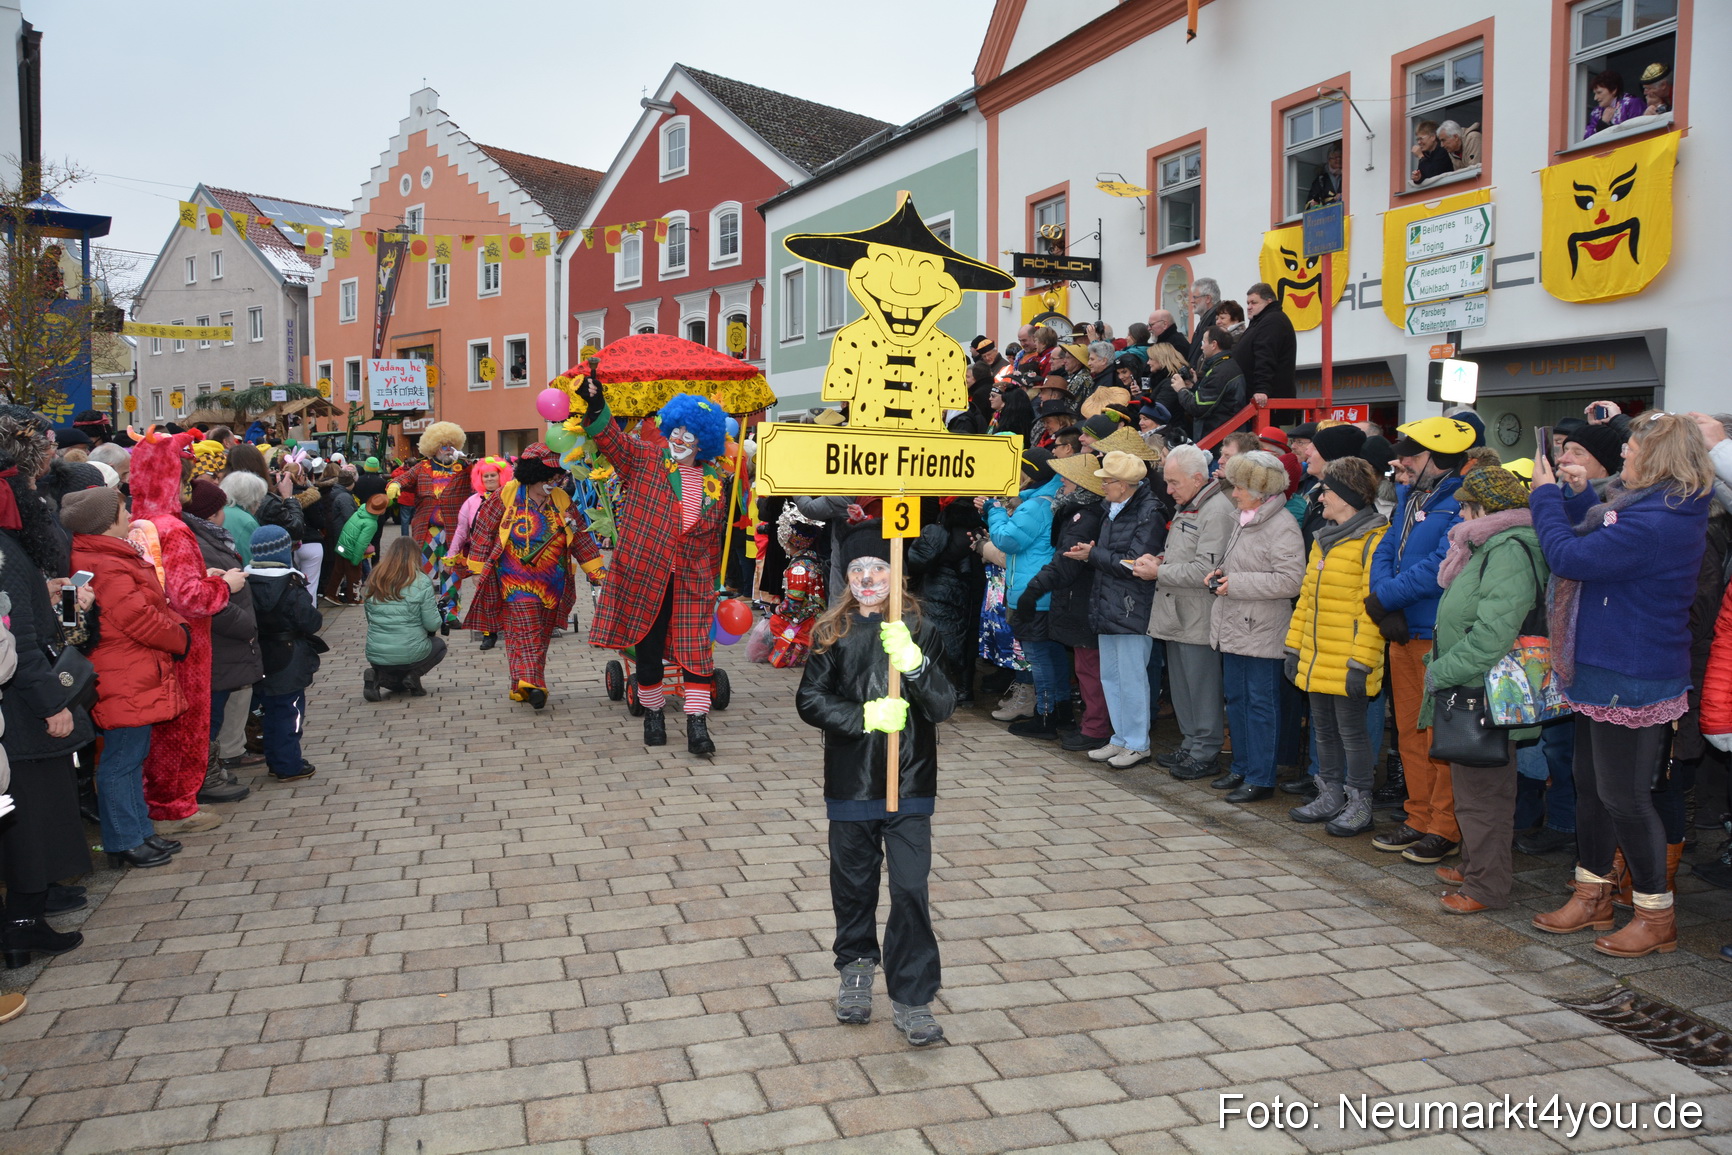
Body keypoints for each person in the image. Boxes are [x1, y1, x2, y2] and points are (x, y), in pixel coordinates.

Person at [1529, 413, 1713, 957]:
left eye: (1632, 448)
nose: (1624, 454)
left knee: (1625, 798)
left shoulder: (1660, 519)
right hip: (1601, 665)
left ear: (1657, 459)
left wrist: (1544, 497)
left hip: (1631, 674)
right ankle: (1593, 896)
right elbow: (1594, 532)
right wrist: (1575, 497)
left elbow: (1569, 555)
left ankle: (1656, 915)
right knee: (1591, 788)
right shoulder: (1642, 506)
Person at [795, 521, 954, 1047]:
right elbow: (810, 700)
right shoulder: (831, 631)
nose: (867, 578)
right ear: (846, 576)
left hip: (909, 780)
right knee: (854, 884)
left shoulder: (920, 628)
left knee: (909, 887)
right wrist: (863, 715)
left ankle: (912, 994)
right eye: (858, 569)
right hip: (852, 783)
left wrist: (916, 664)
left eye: (879, 568)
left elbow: (943, 705)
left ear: (897, 573)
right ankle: (857, 967)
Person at [578, 377, 733, 756]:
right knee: (647, 652)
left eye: (689, 435)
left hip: (692, 580)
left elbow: (712, 539)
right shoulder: (646, 459)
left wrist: (714, 581)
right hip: (647, 575)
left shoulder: (715, 481)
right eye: (676, 431)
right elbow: (612, 442)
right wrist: (596, 406)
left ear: (703, 442)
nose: (679, 439)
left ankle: (697, 723)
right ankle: (654, 714)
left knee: (697, 651)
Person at [1420, 467, 1548, 914]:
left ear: (1484, 508)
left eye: (1465, 506)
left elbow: (1493, 635)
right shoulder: (1490, 544)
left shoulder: (1508, 549)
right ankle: (1476, 865)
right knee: (1475, 787)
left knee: (1485, 794)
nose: (1459, 514)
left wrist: (1441, 671)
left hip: (1487, 690)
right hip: (1474, 686)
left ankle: (1486, 887)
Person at [0, 439, 94, 968]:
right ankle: (22, 928)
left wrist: (52, 595)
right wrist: (51, 705)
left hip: (17, 713)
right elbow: (19, 644)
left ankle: (24, 925)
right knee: (31, 828)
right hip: (22, 719)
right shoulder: (5, 552)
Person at [64, 486, 192, 868]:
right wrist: (180, 637)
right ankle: (124, 841)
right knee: (121, 760)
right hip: (123, 673)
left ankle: (140, 832)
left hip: (130, 669)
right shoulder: (105, 562)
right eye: (123, 510)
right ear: (106, 523)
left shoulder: (107, 555)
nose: (130, 515)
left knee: (131, 756)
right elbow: (138, 618)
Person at [1366, 416, 1473, 864]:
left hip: (1436, 634)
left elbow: (1440, 565)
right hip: (1403, 629)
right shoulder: (1410, 496)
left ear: (1438, 457)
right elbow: (1386, 548)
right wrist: (1385, 602)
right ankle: (1419, 815)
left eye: (1411, 455)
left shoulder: (1461, 501)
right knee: (1409, 731)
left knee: (1437, 735)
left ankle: (1445, 827)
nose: (1400, 462)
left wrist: (1385, 599)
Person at [127, 428, 239, 836]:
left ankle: (161, 802)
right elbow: (191, 597)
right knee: (184, 727)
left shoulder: (139, 523)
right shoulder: (173, 529)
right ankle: (174, 807)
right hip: (187, 642)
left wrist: (202, 575)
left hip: (155, 638)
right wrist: (225, 586)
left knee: (162, 730)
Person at [1287, 458, 1390, 836]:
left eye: (1326, 491)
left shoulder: (1374, 540)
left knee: (1353, 733)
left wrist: (1361, 662)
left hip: (1348, 659)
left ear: (1347, 496)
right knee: (1324, 730)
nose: (1320, 497)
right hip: (1318, 656)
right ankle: (1329, 793)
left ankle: (1360, 802)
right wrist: (1294, 648)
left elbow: (1373, 608)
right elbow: (1306, 601)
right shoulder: (1324, 540)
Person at [461, 443, 604, 708]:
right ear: (532, 475)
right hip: (515, 579)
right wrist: (477, 568)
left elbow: (581, 537)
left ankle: (521, 685)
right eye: (548, 478)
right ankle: (535, 684)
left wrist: (596, 571)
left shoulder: (561, 499)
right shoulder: (506, 495)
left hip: (552, 583)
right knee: (526, 629)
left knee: (539, 634)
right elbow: (483, 530)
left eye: (557, 478)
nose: (554, 483)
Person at [1207, 451, 1305, 802]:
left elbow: (1291, 580)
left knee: (1260, 704)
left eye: (1240, 487)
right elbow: (1243, 564)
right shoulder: (1245, 518)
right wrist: (1220, 573)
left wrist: (1236, 583)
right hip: (1236, 624)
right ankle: (1242, 767)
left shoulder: (1282, 526)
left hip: (1261, 629)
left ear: (1261, 492)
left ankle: (1261, 777)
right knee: (1236, 699)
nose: (1234, 493)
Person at [1137, 441, 1234, 781]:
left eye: (1174, 482)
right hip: (1178, 613)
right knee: (1182, 686)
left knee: (1201, 687)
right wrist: (1159, 559)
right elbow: (1184, 554)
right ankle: (1191, 743)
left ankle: (1205, 752)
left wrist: (1158, 571)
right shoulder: (1192, 503)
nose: (1168, 490)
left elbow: (1205, 570)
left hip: (1198, 615)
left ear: (1197, 478)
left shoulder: (1216, 510)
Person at [1068, 451, 1164, 769]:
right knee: (1111, 675)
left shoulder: (1149, 511)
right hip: (1109, 602)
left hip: (1131, 606)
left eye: (1107, 481)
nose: (1103, 486)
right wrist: (1094, 554)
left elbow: (1134, 564)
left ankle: (1137, 743)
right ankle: (1120, 737)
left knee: (1132, 676)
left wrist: (1093, 555)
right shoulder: (1113, 508)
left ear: (1123, 485)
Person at [1022, 453, 1109, 750]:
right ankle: (1092, 725)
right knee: (1086, 667)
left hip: (1082, 600)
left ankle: (1095, 729)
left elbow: (1066, 563)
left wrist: (1034, 588)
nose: (1061, 481)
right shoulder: (1077, 512)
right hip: (1079, 599)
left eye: (1068, 477)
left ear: (1082, 484)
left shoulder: (1085, 517)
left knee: (1090, 669)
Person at [181, 479, 258, 806]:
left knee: (214, 710)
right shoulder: (199, 541)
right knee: (209, 714)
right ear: (213, 513)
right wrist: (245, 624)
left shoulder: (206, 536)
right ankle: (204, 777)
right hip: (221, 638)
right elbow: (201, 597)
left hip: (223, 640)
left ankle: (210, 771)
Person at [986, 450, 1064, 738]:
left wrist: (994, 511)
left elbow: (1008, 540)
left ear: (1029, 474)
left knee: (1038, 657)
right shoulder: (1042, 499)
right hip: (1039, 589)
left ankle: (1046, 717)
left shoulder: (1036, 506)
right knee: (1050, 655)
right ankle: (1059, 712)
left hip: (1033, 592)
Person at [246, 525, 322, 782]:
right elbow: (310, 621)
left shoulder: (245, 582)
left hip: (259, 654)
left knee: (269, 712)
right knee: (290, 713)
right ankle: (288, 765)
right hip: (289, 656)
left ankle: (276, 759)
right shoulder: (291, 584)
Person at [396, 422, 470, 629]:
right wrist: (394, 485)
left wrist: (466, 460)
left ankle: (450, 615)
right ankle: (423, 614)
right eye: (443, 445)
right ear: (433, 447)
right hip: (427, 531)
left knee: (452, 574)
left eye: (451, 445)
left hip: (454, 532)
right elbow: (401, 479)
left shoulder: (463, 468)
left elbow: (483, 474)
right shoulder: (422, 467)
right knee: (422, 574)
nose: (447, 449)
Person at [363, 535, 449, 701]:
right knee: (439, 645)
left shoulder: (374, 578)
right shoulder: (421, 581)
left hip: (377, 654)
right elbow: (432, 625)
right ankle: (413, 675)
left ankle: (376, 676)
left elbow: (370, 618)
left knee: (396, 682)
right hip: (410, 653)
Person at [445, 456, 510, 648]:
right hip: (481, 554)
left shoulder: (511, 498)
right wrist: (451, 555)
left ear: (501, 477)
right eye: (485, 476)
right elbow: (461, 531)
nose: (489, 479)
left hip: (508, 554)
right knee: (486, 595)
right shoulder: (471, 502)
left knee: (511, 593)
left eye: (493, 475)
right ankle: (489, 634)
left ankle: (514, 630)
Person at [764, 506, 826, 669]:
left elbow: (793, 605)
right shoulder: (812, 558)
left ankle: (799, 651)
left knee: (775, 621)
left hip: (809, 619)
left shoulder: (799, 568)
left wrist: (775, 609)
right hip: (817, 614)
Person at [1173, 327, 1246, 443]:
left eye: (1203, 343)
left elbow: (1198, 407)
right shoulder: (1225, 366)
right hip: (1221, 435)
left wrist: (1181, 389)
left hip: (1217, 439)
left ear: (1214, 345)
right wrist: (1194, 385)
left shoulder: (1221, 372)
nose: (1201, 347)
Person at [1235, 284, 1296, 418]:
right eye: (1248, 303)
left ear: (1269, 301)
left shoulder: (1272, 321)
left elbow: (1265, 357)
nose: (1249, 307)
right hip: (1254, 400)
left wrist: (1262, 389)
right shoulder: (1260, 322)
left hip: (1268, 403)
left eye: (1254, 302)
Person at [1584, 69, 1646, 139]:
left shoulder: (1632, 103)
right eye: (1595, 94)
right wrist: (1602, 123)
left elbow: (1639, 129)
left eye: (1599, 92)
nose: (1595, 98)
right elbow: (1587, 137)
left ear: (1614, 90)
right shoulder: (1596, 112)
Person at [1410, 121, 1453, 185]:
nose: (1419, 142)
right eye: (1417, 139)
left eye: (1421, 139)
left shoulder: (1443, 150)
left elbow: (1433, 175)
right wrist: (1418, 178)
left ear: (1433, 137)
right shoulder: (1426, 154)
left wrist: (1421, 157)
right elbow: (1425, 175)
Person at [1187, 279, 1221, 357]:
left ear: (1208, 299)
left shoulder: (1217, 321)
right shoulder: (1205, 319)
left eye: (1195, 297)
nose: (1192, 301)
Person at [1306, 142, 1344, 207]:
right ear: (1329, 160)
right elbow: (1311, 200)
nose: (1338, 160)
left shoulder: (1347, 176)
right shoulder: (1321, 180)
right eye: (1335, 157)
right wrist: (1313, 204)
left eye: (1340, 157)